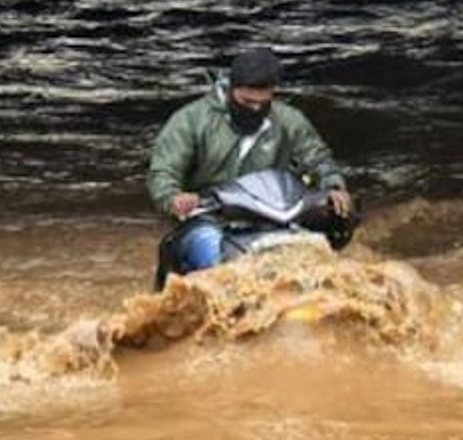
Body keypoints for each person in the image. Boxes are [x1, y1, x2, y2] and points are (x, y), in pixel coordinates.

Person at [147, 47, 352, 273]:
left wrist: (332, 186)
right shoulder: (190, 120)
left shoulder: (289, 120)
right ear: (232, 88)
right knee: (211, 254)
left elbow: (318, 157)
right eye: (246, 102)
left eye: (261, 103)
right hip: (209, 218)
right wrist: (173, 198)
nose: (254, 109)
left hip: (274, 217)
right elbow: (163, 173)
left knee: (315, 259)